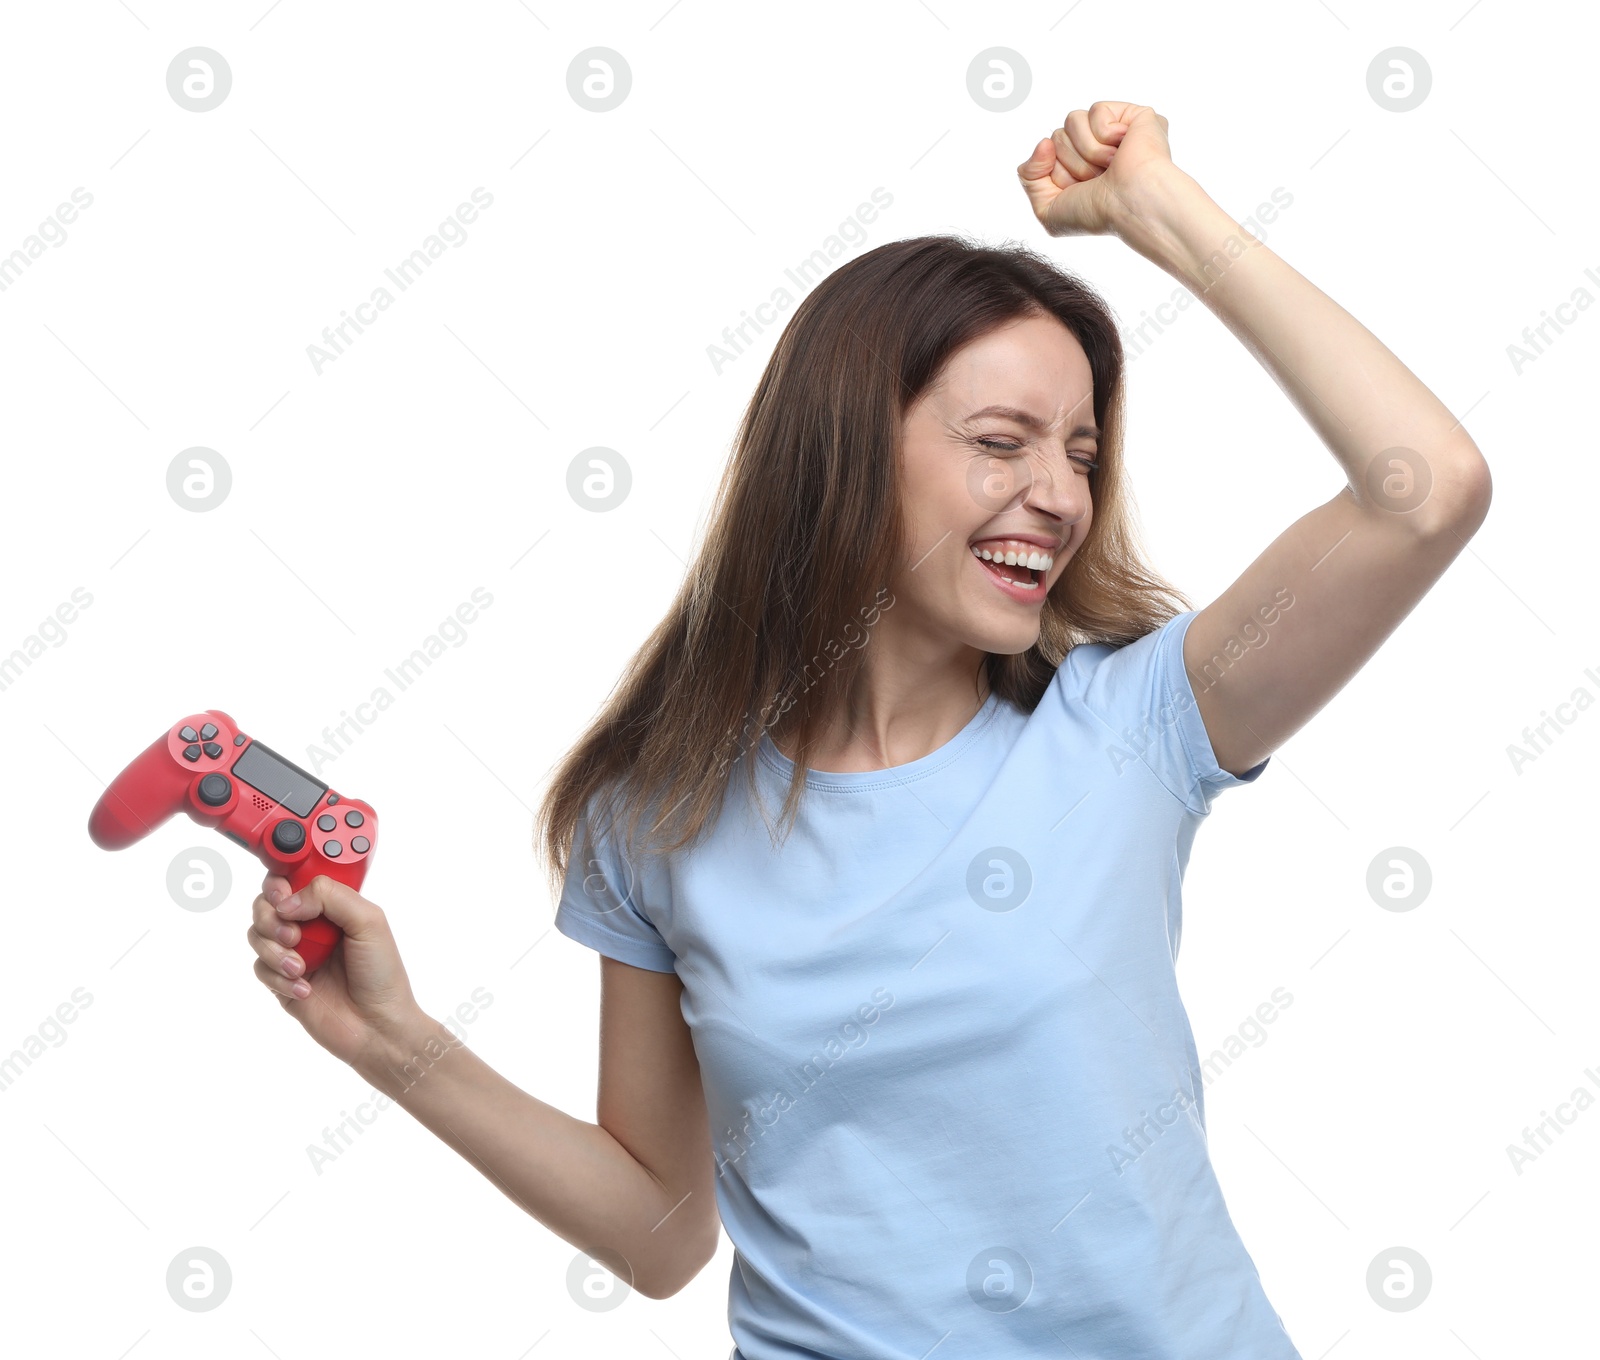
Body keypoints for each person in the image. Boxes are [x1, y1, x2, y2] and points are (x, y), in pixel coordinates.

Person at [247, 101, 1491, 1358]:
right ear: (846, 455)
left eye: (1079, 449)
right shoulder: (656, 809)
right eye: (1001, 442)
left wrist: (1160, 212)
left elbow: (1424, 488)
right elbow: (663, 1229)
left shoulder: (1136, 723)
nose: (1058, 495)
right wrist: (391, 1041)